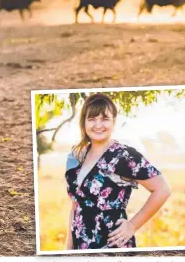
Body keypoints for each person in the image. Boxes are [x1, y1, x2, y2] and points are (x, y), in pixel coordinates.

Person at [65, 93, 171, 250]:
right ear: (84, 122)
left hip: (112, 245)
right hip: (80, 246)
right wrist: (68, 249)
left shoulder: (124, 155)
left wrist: (132, 226)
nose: (98, 125)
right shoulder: (78, 156)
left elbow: (162, 190)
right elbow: (76, 206)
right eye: (92, 119)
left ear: (114, 121)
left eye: (105, 119)